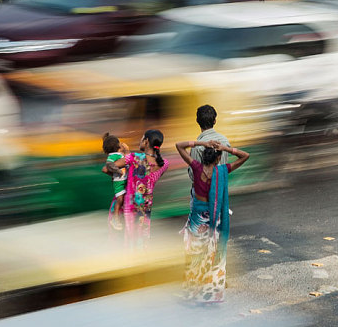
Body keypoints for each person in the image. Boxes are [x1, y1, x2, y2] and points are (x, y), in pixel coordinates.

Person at [175, 139, 249, 303]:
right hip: (214, 221)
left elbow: (179, 146)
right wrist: (226, 149)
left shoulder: (196, 167)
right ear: (217, 159)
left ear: (203, 157)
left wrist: (201, 143)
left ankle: (191, 292)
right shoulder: (222, 170)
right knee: (212, 254)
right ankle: (209, 293)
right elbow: (246, 156)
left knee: (194, 255)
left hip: (196, 220)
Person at [103, 130, 169, 249]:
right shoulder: (164, 164)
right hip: (143, 211)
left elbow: (107, 168)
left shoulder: (134, 158)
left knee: (119, 245)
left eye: (142, 138)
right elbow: (147, 178)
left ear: (146, 141)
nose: (140, 141)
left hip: (125, 208)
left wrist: (118, 174)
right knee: (140, 243)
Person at [188, 105, 231, 182]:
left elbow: (193, 175)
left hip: (203, 191)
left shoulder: (197, 147)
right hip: (220, 187)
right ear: (215, 121)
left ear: (197, 121)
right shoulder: (225, 141)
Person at [102, 133, 129, 231]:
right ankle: (115, 218)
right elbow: (109, 165)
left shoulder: (117, 154)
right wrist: (117, 172)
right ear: (116, 145)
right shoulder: (112, 156)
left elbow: (126, 160)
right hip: (119, 182)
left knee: (123, 198)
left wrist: (125, 152)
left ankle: (120, 217)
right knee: (120, 199)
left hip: (122, 180)